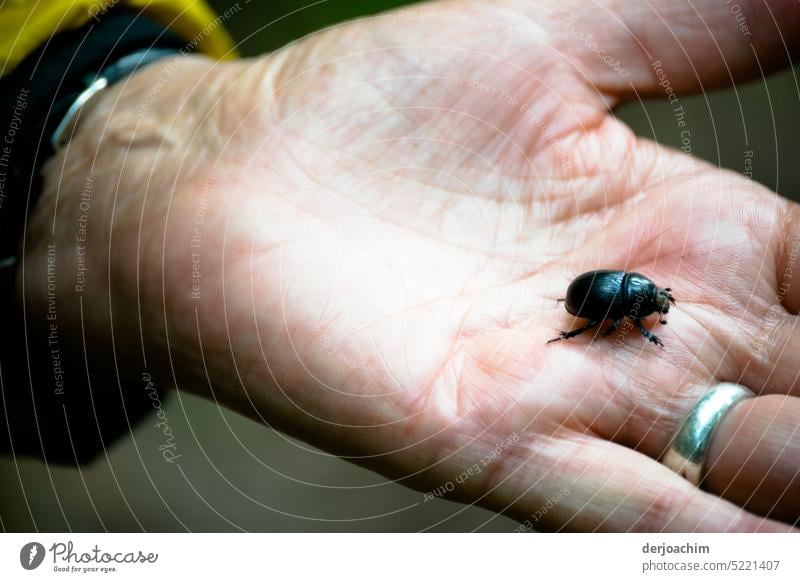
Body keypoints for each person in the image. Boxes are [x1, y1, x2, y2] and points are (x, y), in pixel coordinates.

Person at [2, 0, 799, 532]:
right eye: (652, 306)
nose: (651, 310)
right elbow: (615, 317)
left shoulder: (626, 300)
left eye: (650, 308)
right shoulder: (622, 308)